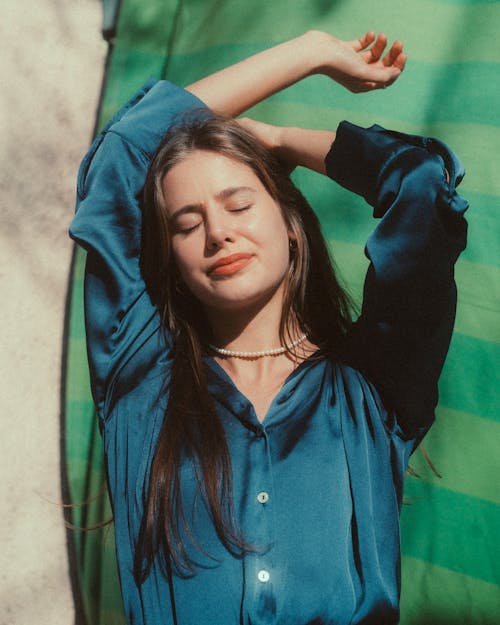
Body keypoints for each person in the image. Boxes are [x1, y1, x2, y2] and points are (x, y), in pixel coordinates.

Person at [69, 30, 468, 625]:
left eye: (238, 204)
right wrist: (304, 55)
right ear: (172, 261)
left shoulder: (373, 389)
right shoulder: (140, 377)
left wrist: (278, 139)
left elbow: (419, 184)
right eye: (186, 223)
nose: (218, 233)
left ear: (290, 225)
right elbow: (119, 160)